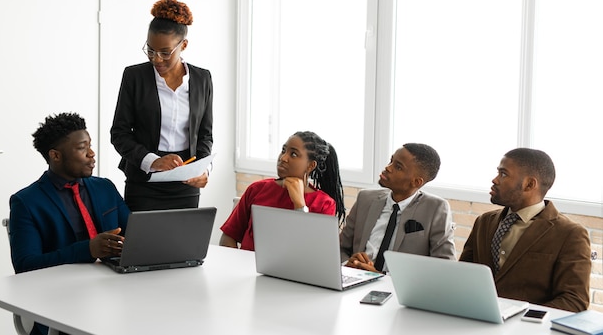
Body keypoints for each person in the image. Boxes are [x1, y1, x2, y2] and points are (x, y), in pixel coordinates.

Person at [9, 113, 130, 335]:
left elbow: (135, 233)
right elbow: (25, 266)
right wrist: (88, 249)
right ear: (55, 155)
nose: (92, 153)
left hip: (115, 294)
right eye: (82, 148)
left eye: (90, 145)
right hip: (61, 304)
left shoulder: (105, 187)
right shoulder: (26, 202)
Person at [111, 0, 213, 211]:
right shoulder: (134, 76)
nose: (157, 59)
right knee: (142, 243)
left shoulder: (202, 79)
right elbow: (119, 133)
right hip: (144, 181)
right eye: (150, 50)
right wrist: (153, 161)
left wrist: (204, 170)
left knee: (183, 243)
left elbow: (205, 134)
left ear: (183, 45)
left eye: (165, 53)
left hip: (186, 182)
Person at [460, 148, 591, 312]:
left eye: (503, 174)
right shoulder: (484, 222)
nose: (495, 180)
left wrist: (518, 317)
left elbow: (574, 300)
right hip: (475, 321)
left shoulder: (570, 234)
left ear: (529, 184)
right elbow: (462, 277)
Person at [219, 131, 345, 251]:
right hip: (244, 269)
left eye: (293, 154)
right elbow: (228, 237)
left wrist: (300, 205)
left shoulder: (324, 204)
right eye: (283, 150)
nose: (283, 158)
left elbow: (315, 253)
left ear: (311, 165)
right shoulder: (257, 189)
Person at [340, 143, 456, 273]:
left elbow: (445, 267)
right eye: (391, 161)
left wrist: (381, 276)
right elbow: (340, 247)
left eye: (398, 167)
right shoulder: (365, 198)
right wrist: (348, 264)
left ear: (417, 182)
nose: (388, 168)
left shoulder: (436, 209)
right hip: (355, 280)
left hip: (397, 289)